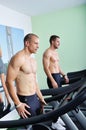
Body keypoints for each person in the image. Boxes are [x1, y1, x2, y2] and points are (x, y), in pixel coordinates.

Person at [6, 33, 46, 123]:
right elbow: (8, 82)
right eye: (35, 43)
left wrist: (40, 97)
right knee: (34, 125)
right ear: (27, 43)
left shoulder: (33, 60)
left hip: (34, 97)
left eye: (38, 44)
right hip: (25, 99)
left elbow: (34, 81)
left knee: (41, 123)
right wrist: (18, 104)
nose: (38, 46)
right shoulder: (18, 58)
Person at [43, 35, 69, 130]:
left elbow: (57, 66)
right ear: (52, 41)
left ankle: (57, 119)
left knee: (61, 100)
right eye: (57, 41)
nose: (59, 43)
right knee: (57, 101)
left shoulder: (55, 53)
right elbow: (46, 68)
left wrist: (64, 75)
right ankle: (54, 122)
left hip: (58, 76)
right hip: (52, 77)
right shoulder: (47, 53)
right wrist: (52, 80)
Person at [0, 46, 11, 115]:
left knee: (4, 85)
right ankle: (7, 102)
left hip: (1, 65)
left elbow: (1, 54)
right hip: (1, 64)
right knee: (4, 85)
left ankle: (3, 103)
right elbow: (1, 54)